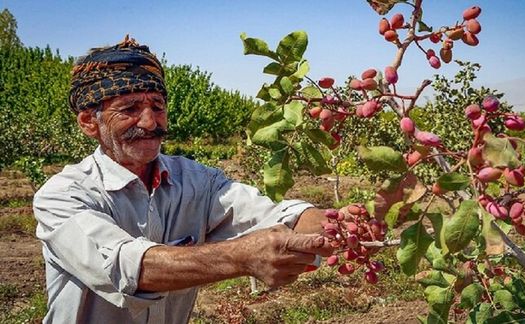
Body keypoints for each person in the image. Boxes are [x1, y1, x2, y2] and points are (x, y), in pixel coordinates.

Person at [33, 35, 332, 323]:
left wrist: (328, 225)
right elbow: (128, 267)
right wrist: (242, 257)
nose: (150, 122)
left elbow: (273, 215)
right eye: (130, 109)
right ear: (88, 122)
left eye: (158, 107)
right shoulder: (62, 195)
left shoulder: (198, 181)